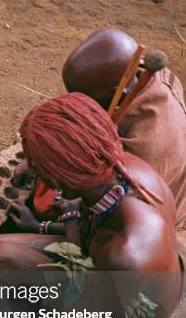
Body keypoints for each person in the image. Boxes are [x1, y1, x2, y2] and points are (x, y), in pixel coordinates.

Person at [0, 94, 182, 318]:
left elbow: (85, 295)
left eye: (38, 166)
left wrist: (70, 220)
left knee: (2, 261)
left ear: (62, 179)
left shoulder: (126, 253)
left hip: (125, 315)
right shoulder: (115, 170)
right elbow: (92, 231)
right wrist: (39, 226)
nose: (33, 170)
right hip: (104, 268)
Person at [16, 28, 186, 228]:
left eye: (85, 97)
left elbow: (106, 221)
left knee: (45, 203)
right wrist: (33, 160)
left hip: (144, 213)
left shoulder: (140, 147)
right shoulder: (141, 73)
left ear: (118, 92)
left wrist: (39, 227)